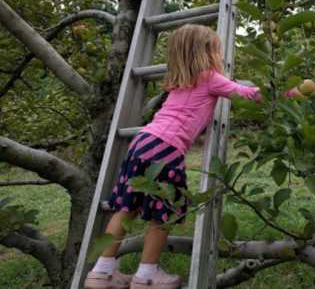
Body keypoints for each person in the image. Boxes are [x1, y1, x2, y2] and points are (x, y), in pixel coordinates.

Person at [84, 24, 260, 289]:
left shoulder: (178, 84)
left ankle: (101, 272)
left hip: (142, 142)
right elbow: (247, 95)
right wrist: (285, 92)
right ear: (207, 53)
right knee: (162, 213)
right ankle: (146, 275)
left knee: (126, 207)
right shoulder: (210, 77)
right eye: (216, 50)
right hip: (166, 148)